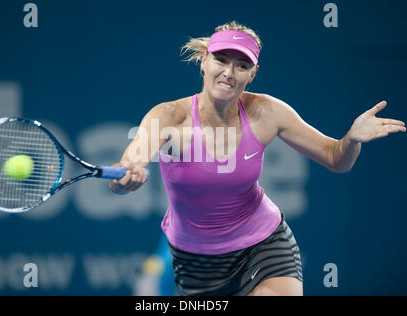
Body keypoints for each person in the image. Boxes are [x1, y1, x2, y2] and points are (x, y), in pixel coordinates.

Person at [109, 21, 406, 296]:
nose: (229, 72)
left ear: (253, 74)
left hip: (264, 242)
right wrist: (127, 178)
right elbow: (130, 164)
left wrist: (351, 140)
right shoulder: (169, 116)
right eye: (221, 60)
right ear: (204, 61)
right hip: (195, 259)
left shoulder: (268, 112)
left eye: (241, 65)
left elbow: (335, 158)